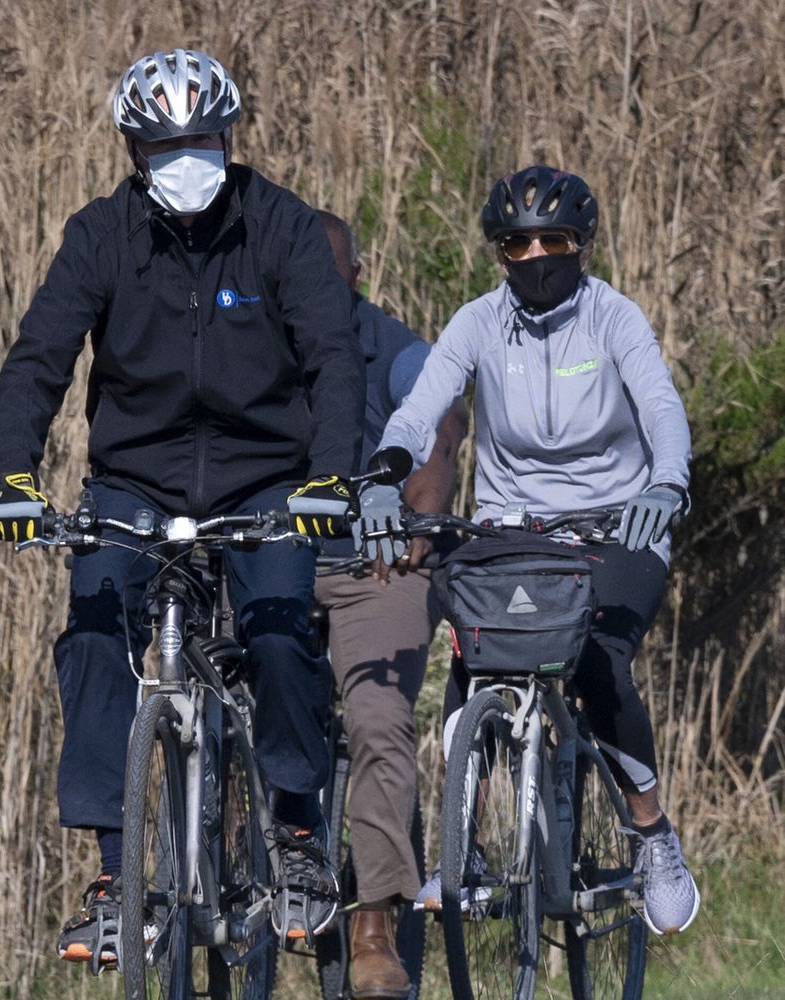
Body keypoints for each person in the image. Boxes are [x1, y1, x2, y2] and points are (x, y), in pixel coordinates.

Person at [0, 49, 366, 969]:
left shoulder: (279, 226)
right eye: (163, 145)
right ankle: (117, 876)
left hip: (264, 478)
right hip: (135, 483)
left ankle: (300, 837)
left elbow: (334, 359)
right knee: (90, 630)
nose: (184, 158)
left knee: (278, 636)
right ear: (132, 147)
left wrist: (328, 477)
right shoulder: (101, 234)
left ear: (228, 139)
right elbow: (41, 356)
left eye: (200, 140)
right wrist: (12, 477)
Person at [361, 165, 700, 935]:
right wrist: (384, 475)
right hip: (512, 527)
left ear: (581, 246)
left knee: (599, 661)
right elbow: (421, 410)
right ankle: (466, 851)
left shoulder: (614, 318)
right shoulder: (478, 321)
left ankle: (651, 835)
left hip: (620, 523)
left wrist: (665, 483)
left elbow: (661, 406)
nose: (536, 255)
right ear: (498, 251)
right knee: (472, 654)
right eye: (517, 243)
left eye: (555, 240)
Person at [312, 211, 468, 998]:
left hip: (375, 565)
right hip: (272, 562)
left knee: (376, 718)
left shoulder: (389, 344)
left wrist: (427, 500)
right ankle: (238, 864)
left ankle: (373, 924)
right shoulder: (253, 348)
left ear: (357, 281)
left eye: (330, 281)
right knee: (226, 689)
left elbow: (443, 412)